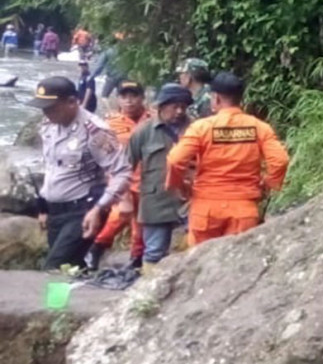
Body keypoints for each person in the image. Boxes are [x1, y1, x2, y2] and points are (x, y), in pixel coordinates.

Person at [166, 72, 290, 246]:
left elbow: (175, 160)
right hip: (243, 211)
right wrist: (267, 184)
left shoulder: (201, 128)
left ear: (215, 98)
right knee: (238, 266)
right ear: (241, 99)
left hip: (206, 209)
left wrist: (180, 186)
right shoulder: (259, 128)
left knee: (200, 266)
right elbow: (280, 160)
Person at [28, 76, 132, 270]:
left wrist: (99, 209)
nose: (46, 112)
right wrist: (43, 208)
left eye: (52, 107)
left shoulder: (95, 131)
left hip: (82, 210)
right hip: (54, 210)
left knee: (54, 267)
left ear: (72, 102)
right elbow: (52, 168)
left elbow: (122, 172)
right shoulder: (48, 126)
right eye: (43, 108)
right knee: (71, 267)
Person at [84, 80, 151, 270]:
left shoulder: (154, 119)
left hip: (149, 179)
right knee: (121, 213)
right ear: (118, 99)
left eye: (134, 96)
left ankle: (136, 259)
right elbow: (103, 156)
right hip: (122, 178)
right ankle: (96, 248)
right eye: (124, 96)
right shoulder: (110, 124)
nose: (129, 101)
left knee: (141, 222)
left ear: (142, 97)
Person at [128, 84, 192, 268]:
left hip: (190, 199)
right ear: (161, 106)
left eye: (183, 106)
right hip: (156, 200)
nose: (180, 111)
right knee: (154, 252)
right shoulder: (143, 132)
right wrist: (124, 199)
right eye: (174, 106)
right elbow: (125, 167)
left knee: (198, 247)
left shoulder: (197, 128)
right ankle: (149, 291)